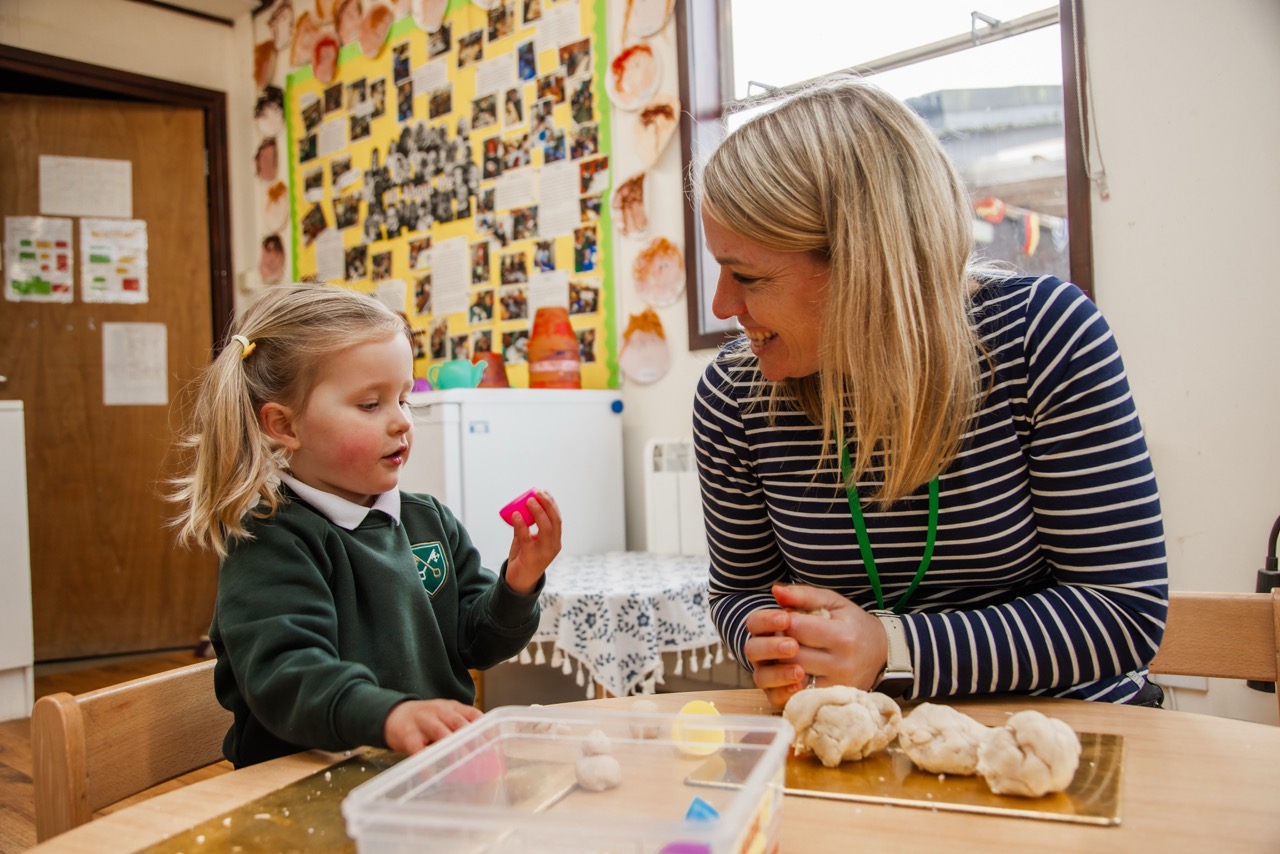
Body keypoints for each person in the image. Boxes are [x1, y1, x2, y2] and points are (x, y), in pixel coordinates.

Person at [691, 75, 1168, 712]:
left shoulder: (1042, 339)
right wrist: (776, 642)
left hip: (1064, 726)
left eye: (748, 275)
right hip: (859, 734)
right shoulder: (733, 395)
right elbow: (738, 592)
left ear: (865, 263)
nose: (724, 306)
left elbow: (1122, 612)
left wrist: (893, 647)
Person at [170, 284, 562, 767]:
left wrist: (517, 586)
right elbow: (290, 677)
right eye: (370, 405)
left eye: (405, 399)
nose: (401, 422)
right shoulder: (271, 542)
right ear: (285, 426)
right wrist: (392, 716)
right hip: (305, 787)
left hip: (421, 774)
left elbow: (476, 641)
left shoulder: (429, 521)